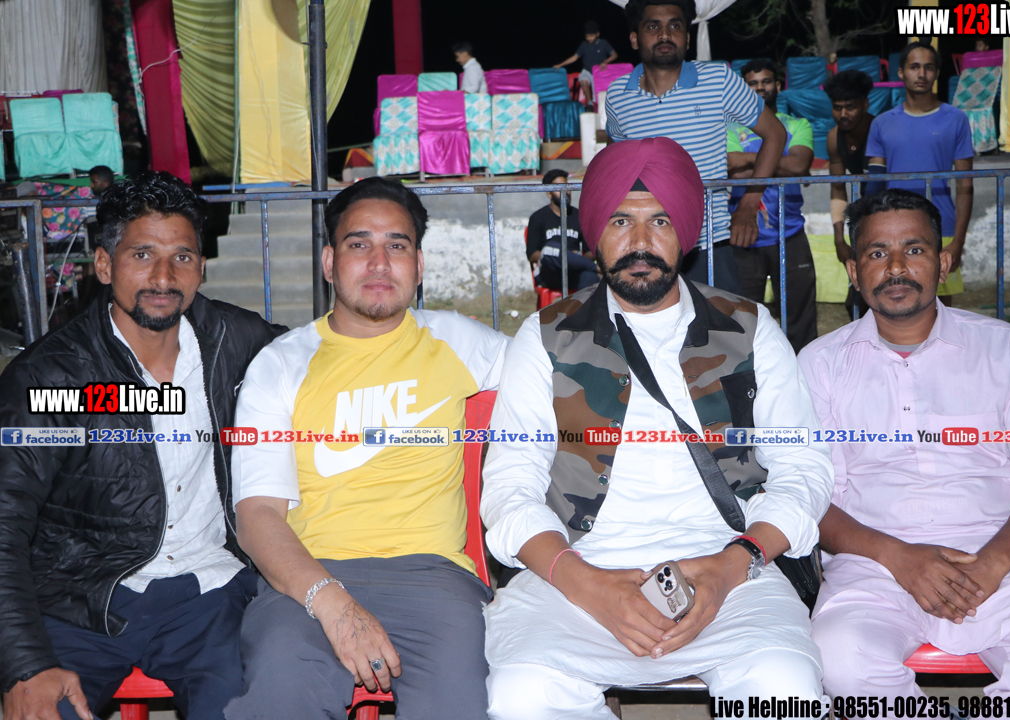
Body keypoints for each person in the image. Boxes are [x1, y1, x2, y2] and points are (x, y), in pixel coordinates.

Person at [482, 137, 834, 720]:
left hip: (731, 570)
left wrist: (732, 566)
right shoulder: (546, 336)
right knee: (521, 695)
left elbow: (804, 468)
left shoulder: (749, 328)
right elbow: (509, 486)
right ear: (594, 233)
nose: (640, 242)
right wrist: (588, 585)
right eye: (621, 220)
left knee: (785, 688)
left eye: (661, 221)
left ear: (686, 233)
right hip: (578, 570)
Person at [0, 171, 285, 720]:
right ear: (105, 265)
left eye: (182, 257)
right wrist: (24, 664)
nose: (163, 277)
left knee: (254, 706)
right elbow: (5, 521)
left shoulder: (239, 342)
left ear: (201, 267)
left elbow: (332, 360)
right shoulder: (50, 378)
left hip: (211, 595)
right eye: (142, 255)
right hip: (81, 599)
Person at [223, 177, 508, 720]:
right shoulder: (281, 365)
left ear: (418, 265)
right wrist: (331, 603)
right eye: (359, 244)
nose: (379, 262)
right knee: (280, 688)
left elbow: (553, 378)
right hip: (307, 579)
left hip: (434, 578)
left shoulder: (458, 340)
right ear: (329, 263)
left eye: (397, 245)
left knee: (461, 701)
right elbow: (258, 515)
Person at [798, 188, 1010, 698]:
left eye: (915, 249)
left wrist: (994, 563)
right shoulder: (820, 364)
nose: (896, 267)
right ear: (855, 272)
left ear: (944, 263)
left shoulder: (1006, 349)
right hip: (876, 565)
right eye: (877, 253)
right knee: (838, 659)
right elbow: (811, 493)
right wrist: (901, 559)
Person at [605, 0, 788, 295]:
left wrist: (749, 204)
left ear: (687, 38)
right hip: (645, 247)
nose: (665, 34)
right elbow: (614, 162)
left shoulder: (718, 80)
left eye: (675, 25)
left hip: (710, 244)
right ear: (635, 38)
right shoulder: (618, 94)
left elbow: (775, 134)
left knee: (721, 323)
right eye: (653, 26)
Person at [865, 40, 973, 305]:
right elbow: (874, 186)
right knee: (896, 302)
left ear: (937, 72)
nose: (921, 73)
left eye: (928, 67)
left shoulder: (956, 119)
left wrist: (958, 241)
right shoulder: (882, 123)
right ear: (901, 72)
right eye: (914, 67)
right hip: (892, 230)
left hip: (941, 227)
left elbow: (965, 186)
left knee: (941, 309)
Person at [727, 59, 817, 353]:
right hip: (743, 235)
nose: (760, 88)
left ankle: (804, 372)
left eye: (766, 81)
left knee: (799, 320)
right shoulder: (730, 128)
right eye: (752, 83)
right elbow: (732, 169)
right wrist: (777, 158)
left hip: (789, 233)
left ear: (778, 85)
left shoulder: (797, 124)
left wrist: (750, 159)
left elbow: (799, 165)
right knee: (741, 321)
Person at [824, 69, 875, 319]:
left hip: (889, 219)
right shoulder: (834, 137)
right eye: (837, 108)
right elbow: (837, 188)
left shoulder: (880, 129)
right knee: (855, 300)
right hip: (863, 223)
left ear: (865, 104)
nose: (843, 114)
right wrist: (838, 238)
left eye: (850, 107)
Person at [526, 169, 599, 292]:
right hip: (550, 273)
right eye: (559, 188)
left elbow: (589, 253)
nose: (566, 192)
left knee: (591, 277)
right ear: (549, 194)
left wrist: (573, 259)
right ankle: (598, 269)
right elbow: (532, 254)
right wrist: (562, 254)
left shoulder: (580, 216)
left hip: (574, 270)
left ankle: (581, 306)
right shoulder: (538, 217)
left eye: (567, 187)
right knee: (551, 249)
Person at [554, 20, 618, 110]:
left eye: (591, 36)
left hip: (599, 72)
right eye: (587, 36)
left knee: (598, 94)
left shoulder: (603, 43)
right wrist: (560, 64)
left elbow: (614, 55)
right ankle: (589, 104)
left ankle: (599, 106)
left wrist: (605, 62)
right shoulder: (584, 45)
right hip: (587, 70)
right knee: (584, 80)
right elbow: (574, 57)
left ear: (597, 34)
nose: (589, 38)